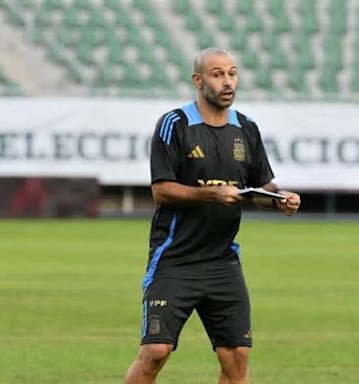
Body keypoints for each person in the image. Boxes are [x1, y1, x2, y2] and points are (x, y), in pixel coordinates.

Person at [123, 47, 301, 384]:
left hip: (222, 262)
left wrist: (280, 199)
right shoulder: (174, 124)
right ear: (198, 80)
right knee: (155, 352)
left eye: (232, 73)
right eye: (218, 74)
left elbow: (260, 186)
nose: (228, 81)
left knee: (236, 358)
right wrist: (211, 194)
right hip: (174, 260)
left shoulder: (246, 129)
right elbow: (161, 190)